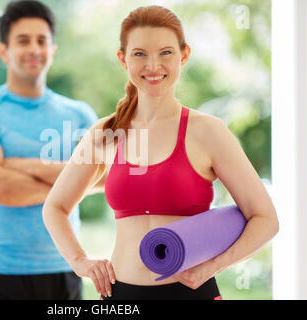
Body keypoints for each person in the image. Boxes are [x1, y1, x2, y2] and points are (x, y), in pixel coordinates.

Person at [42, 5, 279, 300]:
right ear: (123, 59)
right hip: (119, 297)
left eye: (165, 52)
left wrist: (210, 269)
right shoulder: (105, 133)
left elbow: (265, 218)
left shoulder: (208, 132)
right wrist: (80, 262)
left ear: (183, 55)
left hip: (193, 293)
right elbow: (55, 207)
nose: (153, 65)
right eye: (140, 54)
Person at [0, 0, 103, 300]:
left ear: (53, 49)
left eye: (42, 40)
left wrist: (23, 165)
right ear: (4, 51)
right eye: (23, 40)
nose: (34, 49)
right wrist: (71, 179)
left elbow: (103, 179)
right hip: (0, 273)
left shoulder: (80, 115)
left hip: (65, 269)